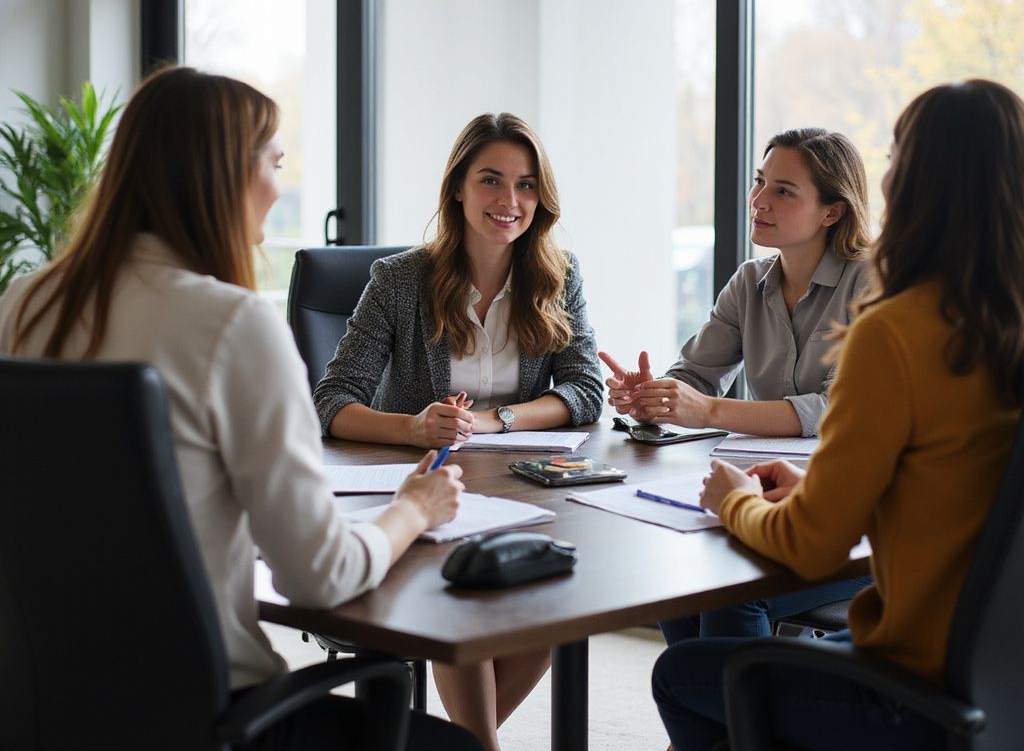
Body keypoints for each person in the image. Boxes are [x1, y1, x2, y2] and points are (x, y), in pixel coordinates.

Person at [0, 66, 480, 751]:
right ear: (219, 173)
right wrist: (415, 508)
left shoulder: (23, 302)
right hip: (204, 719)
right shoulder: (231, 325)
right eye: (273, 163)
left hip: (48, 711)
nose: (276, 189)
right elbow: (321, 577)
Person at [653, 79, 1024, 750]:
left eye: (894, 156)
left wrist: (737, 501)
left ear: (916, 181)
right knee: (703, 623)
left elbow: (813, 546)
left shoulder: (896, 328)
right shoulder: (1002, 321)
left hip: (911, 689)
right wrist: (827, 492)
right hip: (1001, 681)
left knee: (681, 674)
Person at [314, 111, 604, 751]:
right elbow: (333, 400)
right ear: (457, 189)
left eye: (527, 185)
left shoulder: (560, 274)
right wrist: (414, 425)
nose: (510, 201)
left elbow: (585, 393)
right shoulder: (399, 281)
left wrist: (497, 419)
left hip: (527, 489)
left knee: (558, 592)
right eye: (491, 181)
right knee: (463, 594)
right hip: (427, 490)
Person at [602, 126, 873, 642]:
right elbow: (694, 378)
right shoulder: (748, 282)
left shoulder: (870, 282)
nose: (758, 200)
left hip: (853, 517)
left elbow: (835, 408)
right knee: (678, 588)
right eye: (759, 182)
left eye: (783, 191)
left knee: (732, 595)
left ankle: (746, 720)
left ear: (832, 211)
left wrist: (708, 411)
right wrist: (651, 398)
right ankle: (727, 717)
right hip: (770, 490)